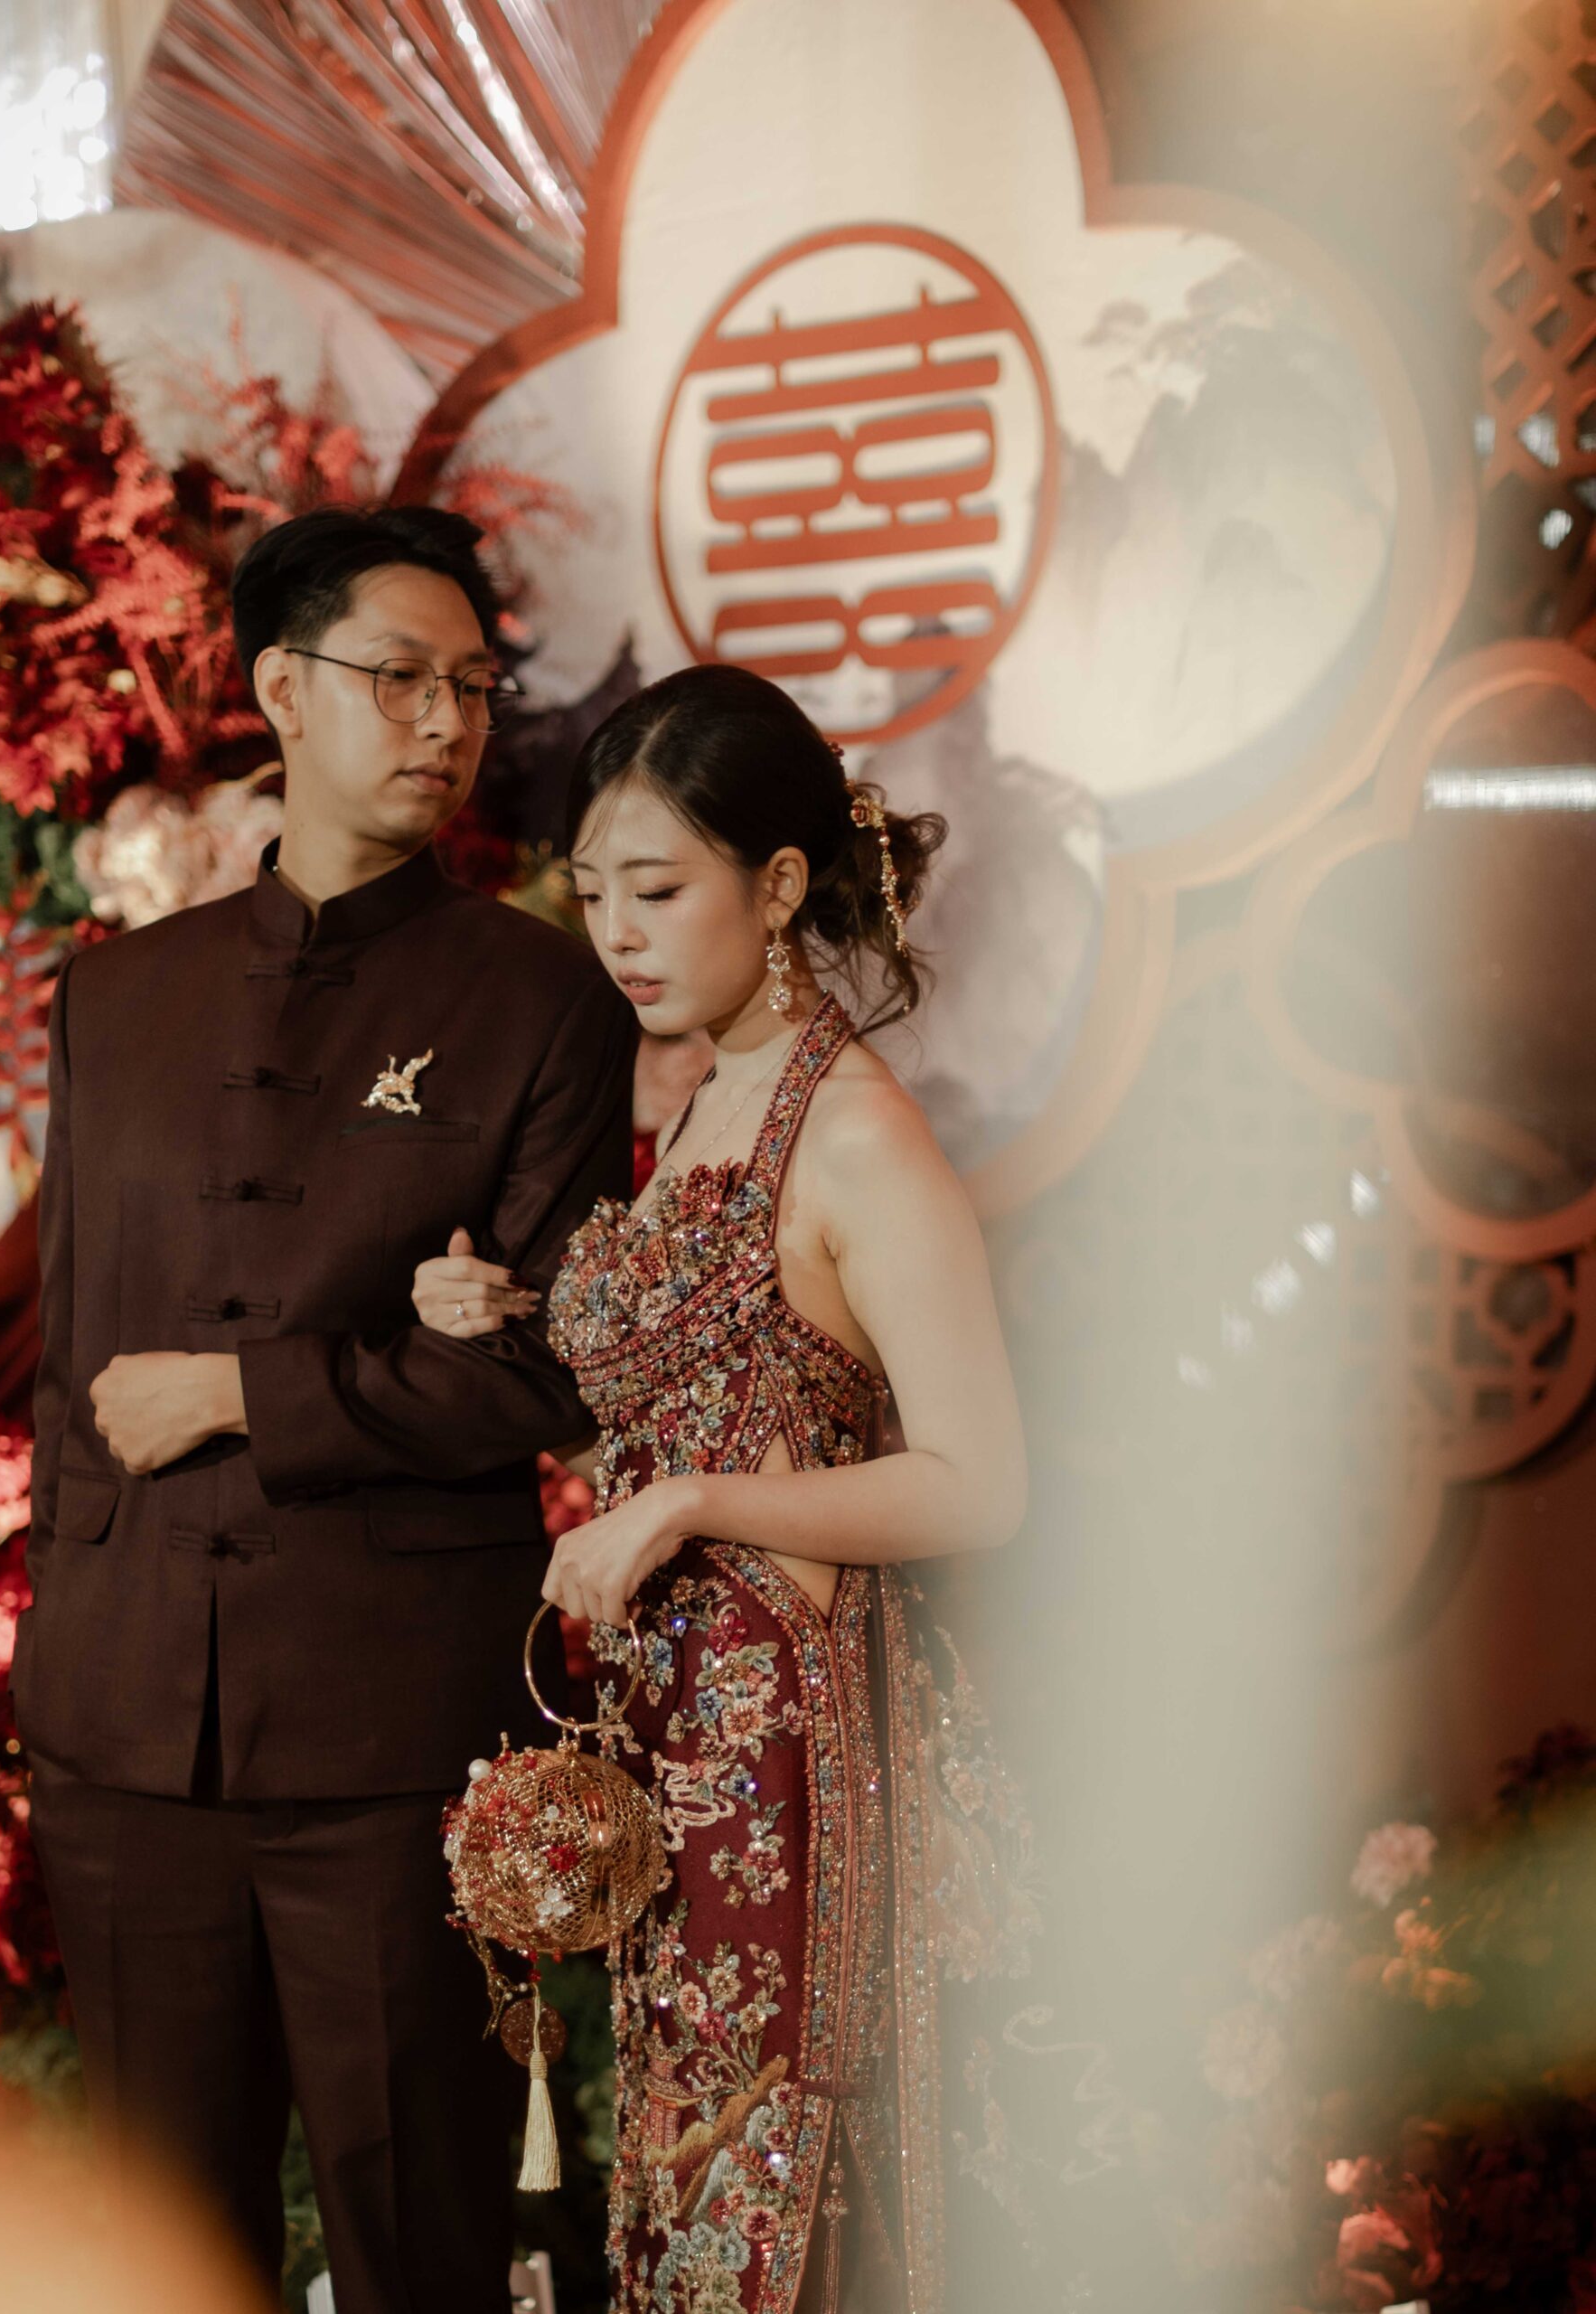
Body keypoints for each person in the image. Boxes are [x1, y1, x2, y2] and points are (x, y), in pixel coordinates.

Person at [13, 503, 638, 2312]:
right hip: (126, 1737)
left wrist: (243, 1392)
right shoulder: (116, 996)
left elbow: (550, 1362)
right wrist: (65, 1651)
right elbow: (68, 1366)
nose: (446, 721)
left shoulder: (541, 999)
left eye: (473, 687)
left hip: (394, 1738)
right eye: (401, 678)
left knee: (419, 2247)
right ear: (283, 689)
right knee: (163, 2256)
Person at [415, 663, 1033, 2313]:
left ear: (777, 886)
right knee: (688, 2184)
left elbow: (978, 1484)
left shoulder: (857, 1131)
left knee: (773, 2190)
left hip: (798, 1746)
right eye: (593, 891)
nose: (617, 933)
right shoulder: (709, 1095)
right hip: (682, 1742)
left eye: (658, 888)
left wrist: (685, 1506)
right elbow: (708, 1391)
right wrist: (507, 1318)